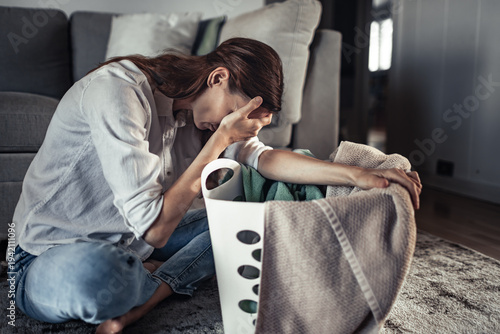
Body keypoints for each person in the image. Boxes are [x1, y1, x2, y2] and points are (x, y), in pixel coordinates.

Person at [12, 37, 421, 334]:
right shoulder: (117, 93)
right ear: (218, 77)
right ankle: (150, 279)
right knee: (99, 279)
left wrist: (356, 174)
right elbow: (155, 228)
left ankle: (152, 290)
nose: (226, 128)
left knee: (259, 220)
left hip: (134, 244)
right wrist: (221, 138)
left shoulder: (196, 115)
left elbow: (267, 159)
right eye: (231, 115)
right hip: (45, 256)